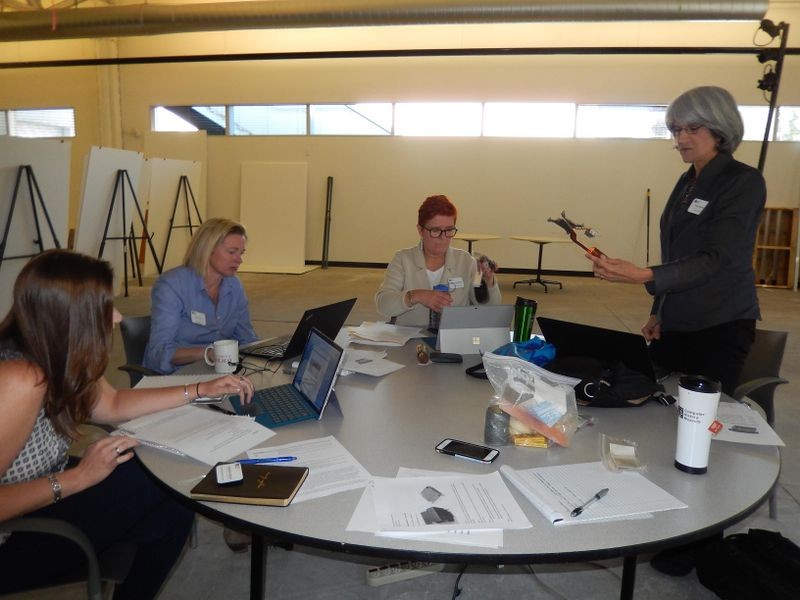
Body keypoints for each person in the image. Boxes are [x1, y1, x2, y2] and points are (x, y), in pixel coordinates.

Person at [0, 249, 255, 599]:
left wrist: (200, 389)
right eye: (106, 306)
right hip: (12, 535)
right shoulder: (20, 379)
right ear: (70, 314)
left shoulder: (57, 354)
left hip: (42, 493)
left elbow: (114, 404)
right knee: (155, 483)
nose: (118, 317)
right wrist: (79, 477)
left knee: (172, 497)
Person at [587, 86, 765, 397]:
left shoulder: (743, 182)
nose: (681, 138)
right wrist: (660, 310)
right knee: (651, 398)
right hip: (676, 322)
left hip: (719, 323)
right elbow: (676, 253)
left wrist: (643, 274)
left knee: (701, 412)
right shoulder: (688, 180)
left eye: (693, 129)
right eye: (676, 129)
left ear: (720, 129)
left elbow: (716, 258)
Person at [144, 217, 258, 374]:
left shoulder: (234, 286)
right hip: (178, 375)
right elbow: (158, 353)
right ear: (207, 249)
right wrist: (208, 353)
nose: (239, 260)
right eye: (232, 252)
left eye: (241, 253)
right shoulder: (172, 285)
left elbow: (246, 339)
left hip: (220, 372)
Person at [375, 194, 501, 328]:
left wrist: (488, 282)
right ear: (420, 230)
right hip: (410, 337)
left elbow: (488, 308)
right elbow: (383, 304)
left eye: (449, 230)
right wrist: (416, 296)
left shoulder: (467, 262)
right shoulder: (403, 260)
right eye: (435, 230)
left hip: (453, 336)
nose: (443, 237)